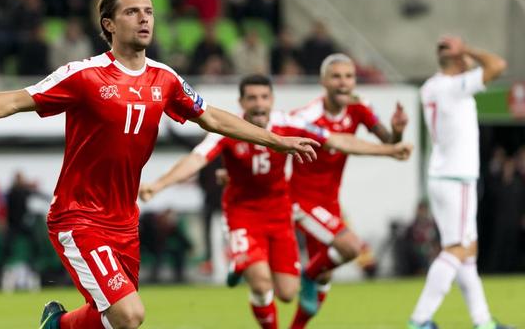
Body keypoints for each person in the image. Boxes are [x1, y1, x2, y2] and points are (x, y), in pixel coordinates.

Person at [0, 0, 318, 329]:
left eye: (148, 11)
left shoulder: (166, 78)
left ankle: (58, 324)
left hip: (124, 220)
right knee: (130, 314)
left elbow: (211, 116)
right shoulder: (84, 75)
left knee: (113, 319)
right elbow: (17, 100)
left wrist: (275, 140)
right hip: (79, 215)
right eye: (132, 12)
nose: (144, 19)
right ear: (109, 25)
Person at [139, 74, 412, 329]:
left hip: (280, 213)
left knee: (287, 293)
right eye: (252, 98)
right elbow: (196, 160)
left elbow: (338, 141)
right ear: (241, 102)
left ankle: (241, 262)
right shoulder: (227, 129)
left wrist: (388, 150)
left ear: (271, 100)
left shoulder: (287, 124)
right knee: (260, 283)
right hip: (242, 214)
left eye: (264, 98)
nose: (259, 104)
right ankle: (245, 263)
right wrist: (159, 185)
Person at [289, 53, 409, 329]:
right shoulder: (308, 116)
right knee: (350, 247)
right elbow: (280, 140)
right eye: (336, 77)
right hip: (302, 200)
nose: (343, 83)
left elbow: (389, 141)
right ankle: (305, 275)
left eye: (349, 76)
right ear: (323, 81)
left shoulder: (359, 108)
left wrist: (397, 131)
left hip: (329, 202)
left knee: (324, 280)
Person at [408, 36, 509, 329]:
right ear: (457, 59)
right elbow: (498, 65)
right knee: (456, 249)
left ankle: (483, 321)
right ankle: (419, 319)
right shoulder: (456, 87)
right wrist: (468, 51)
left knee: (468, 251)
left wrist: (458, 57)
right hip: (458, 177)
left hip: (441, 175)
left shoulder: (430, 86)